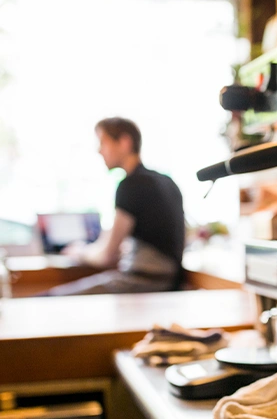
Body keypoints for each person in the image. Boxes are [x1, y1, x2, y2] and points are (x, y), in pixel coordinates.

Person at [45, 117, 185, 295]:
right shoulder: (166, 181)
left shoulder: (131, 185)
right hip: (168, 281)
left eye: (103, 142)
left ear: (125, 142)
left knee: (49, 298)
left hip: (144, 281)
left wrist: (79, 252)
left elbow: (105, 255)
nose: (99, 150)